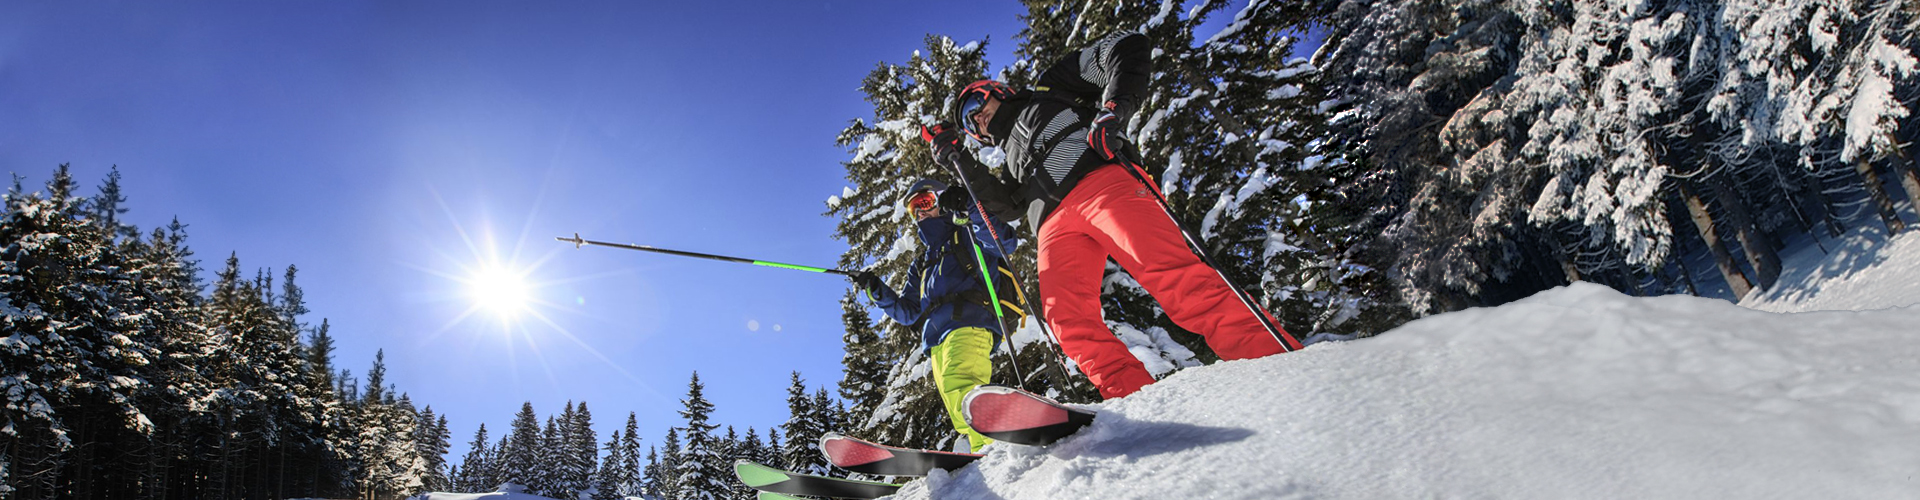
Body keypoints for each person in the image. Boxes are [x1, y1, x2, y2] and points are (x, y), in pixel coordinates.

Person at [920, 31, 1304, 401]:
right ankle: (1134, 398)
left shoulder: (1050, 89)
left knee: (1173, 275)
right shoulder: (1012, 163)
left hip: (1102, 184)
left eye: (975, 106)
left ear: (997, 91)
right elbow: (1007, 206)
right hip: (1052, 227)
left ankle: (1270, 361)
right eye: (968, 124)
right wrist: (960, 161)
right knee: (1067, 320)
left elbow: (1126, 47)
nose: (976, 120)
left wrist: (1114, 111)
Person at [850, 178, 1022, 453]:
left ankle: (999, 442)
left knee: (963, 386)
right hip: (936, 339)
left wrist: (969, 206)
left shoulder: (966, 231)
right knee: (959, 412)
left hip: (970, 321)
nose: (919, 213)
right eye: (913, 209)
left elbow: (1005, 242)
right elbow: (908, 312)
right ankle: (985, 451)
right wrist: (876, 289)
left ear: (941, 199)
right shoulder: (923, 262)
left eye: (924, 202)